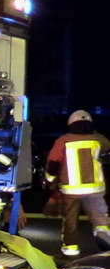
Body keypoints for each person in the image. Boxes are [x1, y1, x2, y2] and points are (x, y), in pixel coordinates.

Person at [45, 110, 110, 256]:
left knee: (70, 219)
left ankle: (71, 247)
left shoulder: (64, 140)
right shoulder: (98, 139)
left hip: (71, 190)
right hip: (95, 188)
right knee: (99, 215)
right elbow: (107, 148)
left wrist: (49, 179)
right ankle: (102, 230)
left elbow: (53, 162)